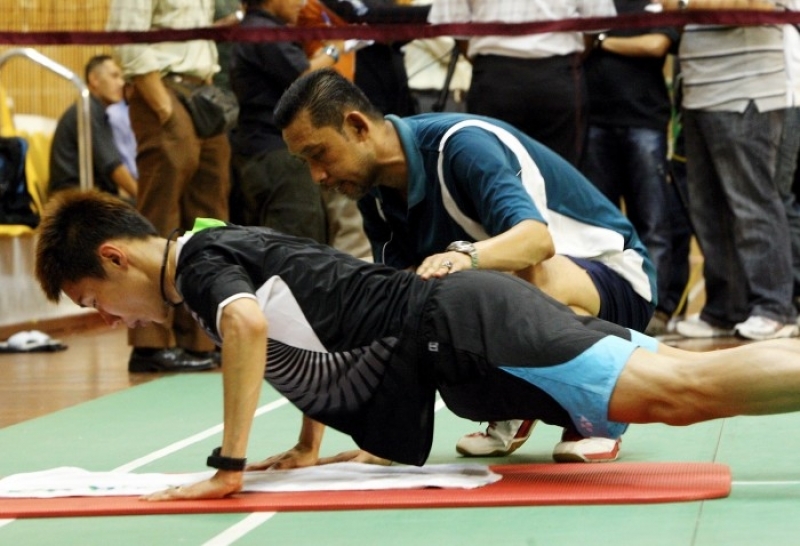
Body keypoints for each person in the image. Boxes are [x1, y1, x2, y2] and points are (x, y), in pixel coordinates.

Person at [34, 189, 800, 502]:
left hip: (474, 328)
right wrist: (307, 447)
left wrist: (227, 469)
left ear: (114, 257)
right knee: (689, 376)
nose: (111, 319)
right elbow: (308, 329)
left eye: (94, 302)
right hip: (472, 330)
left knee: (684, 395)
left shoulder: (200, 265)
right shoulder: (212, 247)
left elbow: (250, 329)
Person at [273, 69, 658, 464]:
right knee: (427, 323)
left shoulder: (461, 146)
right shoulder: (374, 196)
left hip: (615, 279)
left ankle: (600, 417)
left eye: (319, 154)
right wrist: (344, 444)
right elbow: (390, 312)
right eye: (305, 162)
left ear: (357, 127)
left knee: (515, 276)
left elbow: (536, 242)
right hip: (529, 296)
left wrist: (463, 257)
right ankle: (518, 406)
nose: (316, 175)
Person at [659, 0, 798, 340]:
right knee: (708, 210)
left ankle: (775, 308)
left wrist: (682, 4)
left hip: (747, 92)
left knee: (752, 204)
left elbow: (757, 4)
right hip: (699, 91)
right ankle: (724, 309)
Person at [107, 0, 232, 373]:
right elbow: (125, 38)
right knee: (159, 215)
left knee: (210, 220)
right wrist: (162, 106)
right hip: (162, 89)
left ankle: (201, 338)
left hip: (203, 93)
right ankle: (150, 343)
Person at [580, 0, 681, 335]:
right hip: (594, 121)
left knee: (652, 223)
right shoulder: (592, 3)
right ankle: (605, 304)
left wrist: (600, 40)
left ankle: (655, 308)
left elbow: (655, 45)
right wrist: (599, 40)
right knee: (599, 227)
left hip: (645, 122)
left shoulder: (659, 2)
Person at [427, 0, 617, 167]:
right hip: (549, 76)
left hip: (499, 77)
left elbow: (454, 25)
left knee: (496, 173)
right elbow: (596, 21)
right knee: (557, 176)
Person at [48, 55, 138, 200]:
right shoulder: (87, 111)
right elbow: (113, 167)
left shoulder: (94, 110)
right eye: (114, 76)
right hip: (72, 200)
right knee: (146, 209)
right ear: (94, 79)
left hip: (89, 195)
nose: (121, 83)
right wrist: (143, 197)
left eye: (122, 77)